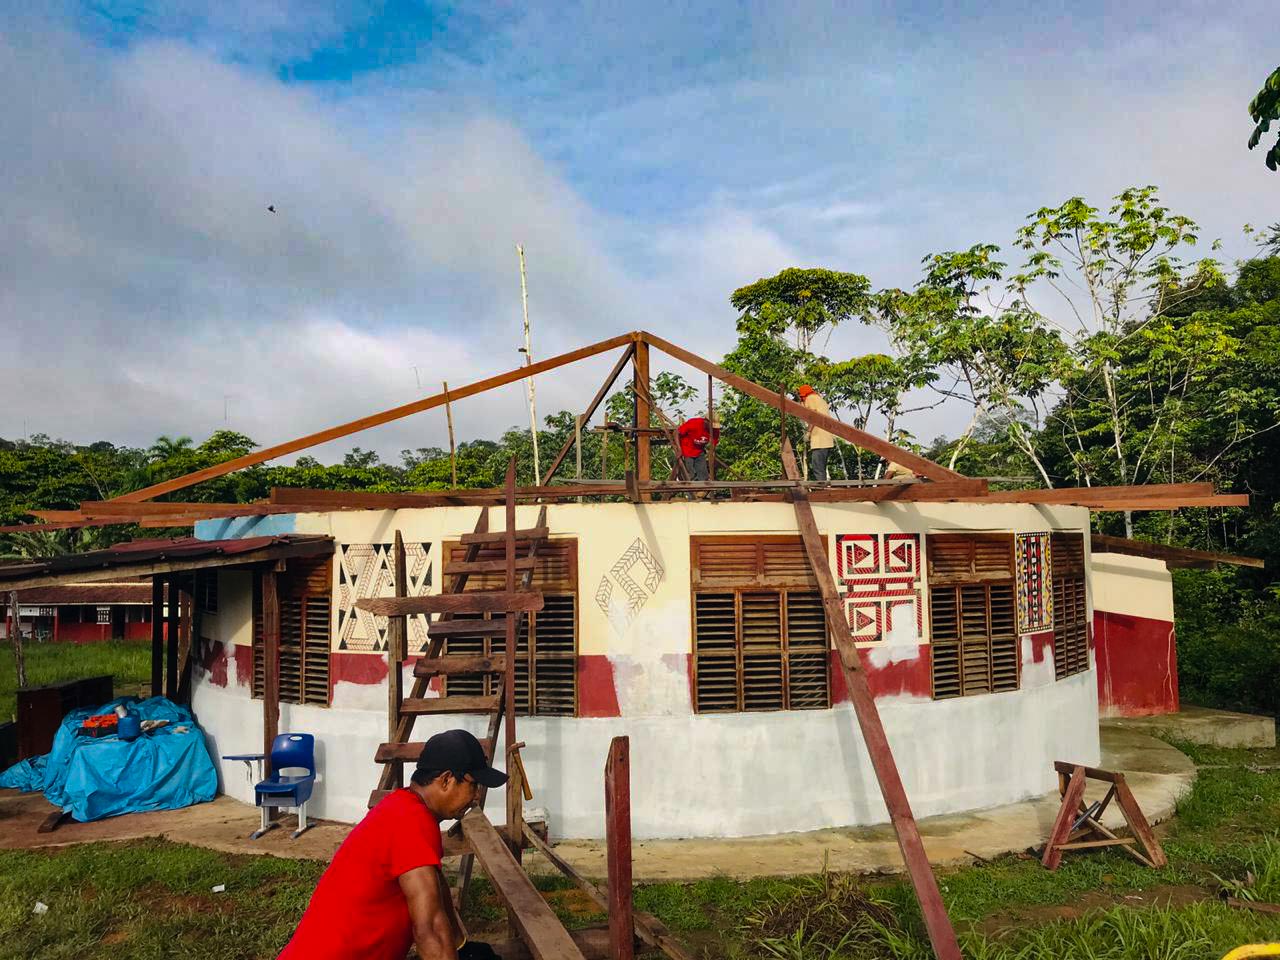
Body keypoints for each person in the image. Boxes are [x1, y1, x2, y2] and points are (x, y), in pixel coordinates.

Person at [277, 729, 507, 960]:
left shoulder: (404, 808)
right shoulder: (412, 822)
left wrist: (461, 946)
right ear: (447, 779)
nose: (476, 795)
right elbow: (431, 930)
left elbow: (436, 888)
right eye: (473, 784)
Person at [797, 385, 834, 481]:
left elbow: (814, 417)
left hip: (820, 439)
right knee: (821, 466)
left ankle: (822, 491)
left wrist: (808, 432)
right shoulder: (819, 399)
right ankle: (824, 488)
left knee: (817, 467)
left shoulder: (810, 398)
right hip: (826, 438)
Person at [676, 414, 720, 481]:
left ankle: (703, 489)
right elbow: (676, 433)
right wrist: (679, 449)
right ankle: (693, 487)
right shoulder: (694, 423)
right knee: (690, 474)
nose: (712, 428)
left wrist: (711, 455)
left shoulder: (715, 430)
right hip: (687, 450)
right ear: (706, 421)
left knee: (703, 475)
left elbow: (713, 445)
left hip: (699, 451)